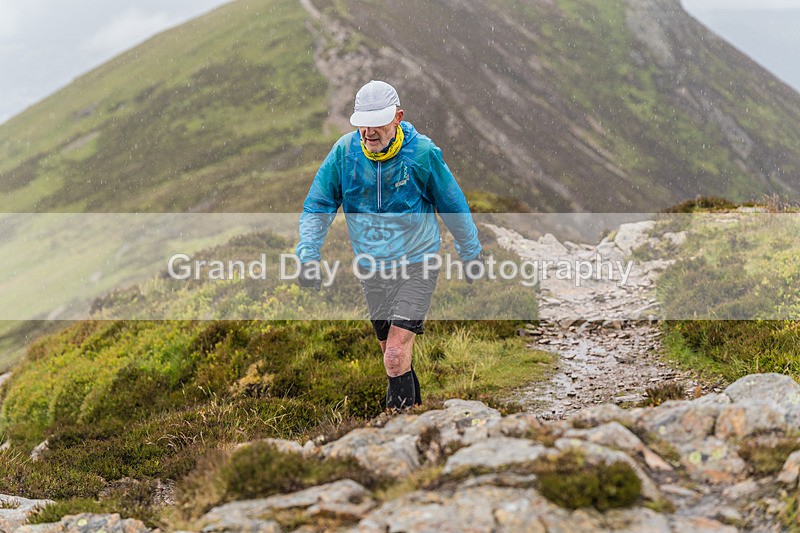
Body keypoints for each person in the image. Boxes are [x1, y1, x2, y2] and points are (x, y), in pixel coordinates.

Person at [295, 80, 482, 410]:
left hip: (417, 265)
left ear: (398, 118)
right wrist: (308, 253)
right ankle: (419, 423)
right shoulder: (344, 153)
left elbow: (452, 204)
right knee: (393, 357)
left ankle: (397, 430)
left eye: (377, 123)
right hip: (371, 270)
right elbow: (319, 204)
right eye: (362, 125)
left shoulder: (421, 154)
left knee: (394, 354)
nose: (367, 133)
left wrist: (471, 253)